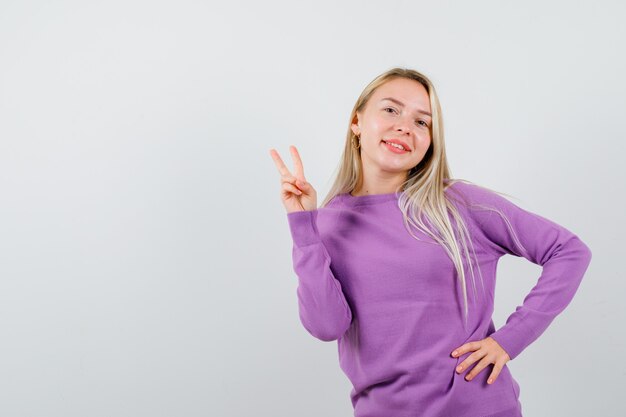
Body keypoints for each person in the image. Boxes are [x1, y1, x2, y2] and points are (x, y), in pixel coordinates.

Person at [269, 67, 592, 417]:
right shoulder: (330, 223)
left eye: (423, 122)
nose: (405, 126)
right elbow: (326, 326)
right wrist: (303, 225)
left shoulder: (459, 204)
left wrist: (510, 340)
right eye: (391, 110)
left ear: (430, 141)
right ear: (357, 122)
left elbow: (569, 251)